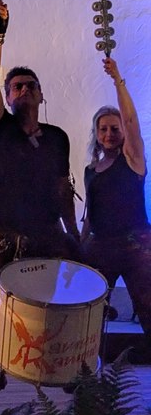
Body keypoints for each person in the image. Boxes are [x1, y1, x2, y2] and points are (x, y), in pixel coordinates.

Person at [0, 0, 78, 415]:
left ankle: (76, 378)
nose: (24, 90)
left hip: (48, 231)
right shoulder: (0, 129)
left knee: (77, 298)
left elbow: (62, 188)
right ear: (9, 96)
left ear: (42, 94)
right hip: (2, 233)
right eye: (16, 87)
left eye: (31, 85)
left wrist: (74, 234)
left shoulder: (58, 137)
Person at [81, 57, 151, 352]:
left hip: (137, 246)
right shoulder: (90, 170)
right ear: (96, 135)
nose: (109, 134)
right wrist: (81, 246)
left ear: (123, 132)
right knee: (90, 313)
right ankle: (88, 370)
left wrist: (118, 80)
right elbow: (90, 213)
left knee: (148, 308)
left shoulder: (133, 160)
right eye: (103, 129)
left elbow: (132, 122)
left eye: (114, 128)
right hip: (101, 247)